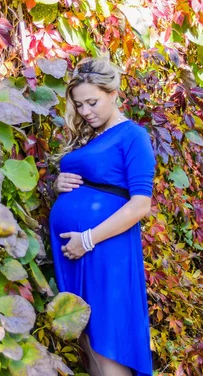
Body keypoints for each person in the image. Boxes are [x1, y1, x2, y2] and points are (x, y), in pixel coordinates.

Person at [49, 57, 156, 376]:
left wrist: (87, 239)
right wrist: (59, 184)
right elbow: (92, 185)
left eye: (92, 102)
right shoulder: (89, 139)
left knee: (108, 338)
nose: (84, 112)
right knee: (89, 342)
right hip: (77, 250)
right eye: (79, 105)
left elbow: (140, 206)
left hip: (104, 249)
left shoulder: (133, 136)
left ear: (113, 93)